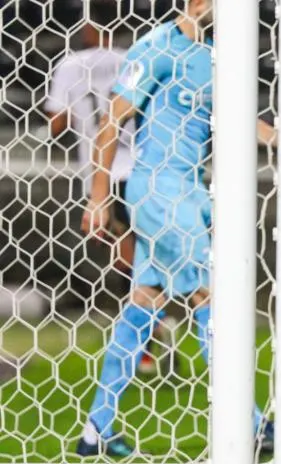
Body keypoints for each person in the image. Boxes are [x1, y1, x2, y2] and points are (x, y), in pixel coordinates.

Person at [77, 0, 281, 457]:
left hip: (189, 191)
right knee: (212, 298)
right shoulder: (156, 47)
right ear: (197, 2)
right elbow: (111, 121)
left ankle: (97, 428)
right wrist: (98, 198)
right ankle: (250, 424)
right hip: (159, 190)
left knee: (144, 306)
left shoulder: (215, 55)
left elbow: (240, 120)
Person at [44, 14, 179, 379]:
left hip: (102, 174)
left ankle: (152, 326)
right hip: (142, 171)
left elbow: (56, 124)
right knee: (138, 254)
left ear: (87, 28)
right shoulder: (134, 59)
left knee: (125, 258)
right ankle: (153, 330)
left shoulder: (69, 66)